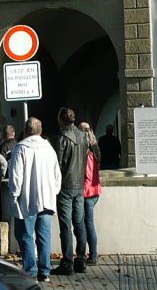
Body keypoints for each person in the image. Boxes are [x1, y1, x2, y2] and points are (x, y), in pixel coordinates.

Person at [8, 117, 61, 284]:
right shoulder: (49, 149)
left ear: (25, 130)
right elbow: (57, 175)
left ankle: (31, 271)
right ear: (40, 130)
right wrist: (53, 191)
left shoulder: (21, 148)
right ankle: (44, 271)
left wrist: (14, 195)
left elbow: (16, 176)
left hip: (27, 200)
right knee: (44, 236)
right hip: (47, 199)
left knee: (25, 235)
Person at [52, 106, 92, 275]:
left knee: (66, 226)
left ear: (62, 120)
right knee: (79, 223)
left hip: (66, 185)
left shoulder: (62, 138)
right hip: (79, 185)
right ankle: (81, 259)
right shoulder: (82, 137)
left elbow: (58, 164)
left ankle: (67, 262)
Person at [79, 122, 101, 264]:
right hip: (95, 191)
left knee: (87, 224)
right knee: (89, 223)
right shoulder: (96, 150)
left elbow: (87, 175)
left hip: (87, 192)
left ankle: (93, 255)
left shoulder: (88, 155)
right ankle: (92, 254)